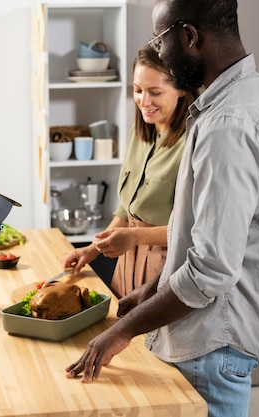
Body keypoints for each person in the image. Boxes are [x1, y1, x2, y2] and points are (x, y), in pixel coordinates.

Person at [65, 1, 259, 416]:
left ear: (188, 36)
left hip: (213, 337)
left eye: (161, 40)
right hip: (220, 331)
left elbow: (210, 270)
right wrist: (149, 291)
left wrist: (122, 332)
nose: (162, 53)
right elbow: (207, 238)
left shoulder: (229, 121)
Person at [62, 45, 198, 300]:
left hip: (167, 267)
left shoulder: (193, 143)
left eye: (155, 92)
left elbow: (193, 231)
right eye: (137, 91)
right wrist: (91, 250)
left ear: (181, 89)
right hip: (128, 262)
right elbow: (129, 208)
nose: (144, 102)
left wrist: (135, 236)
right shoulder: (141, 133)